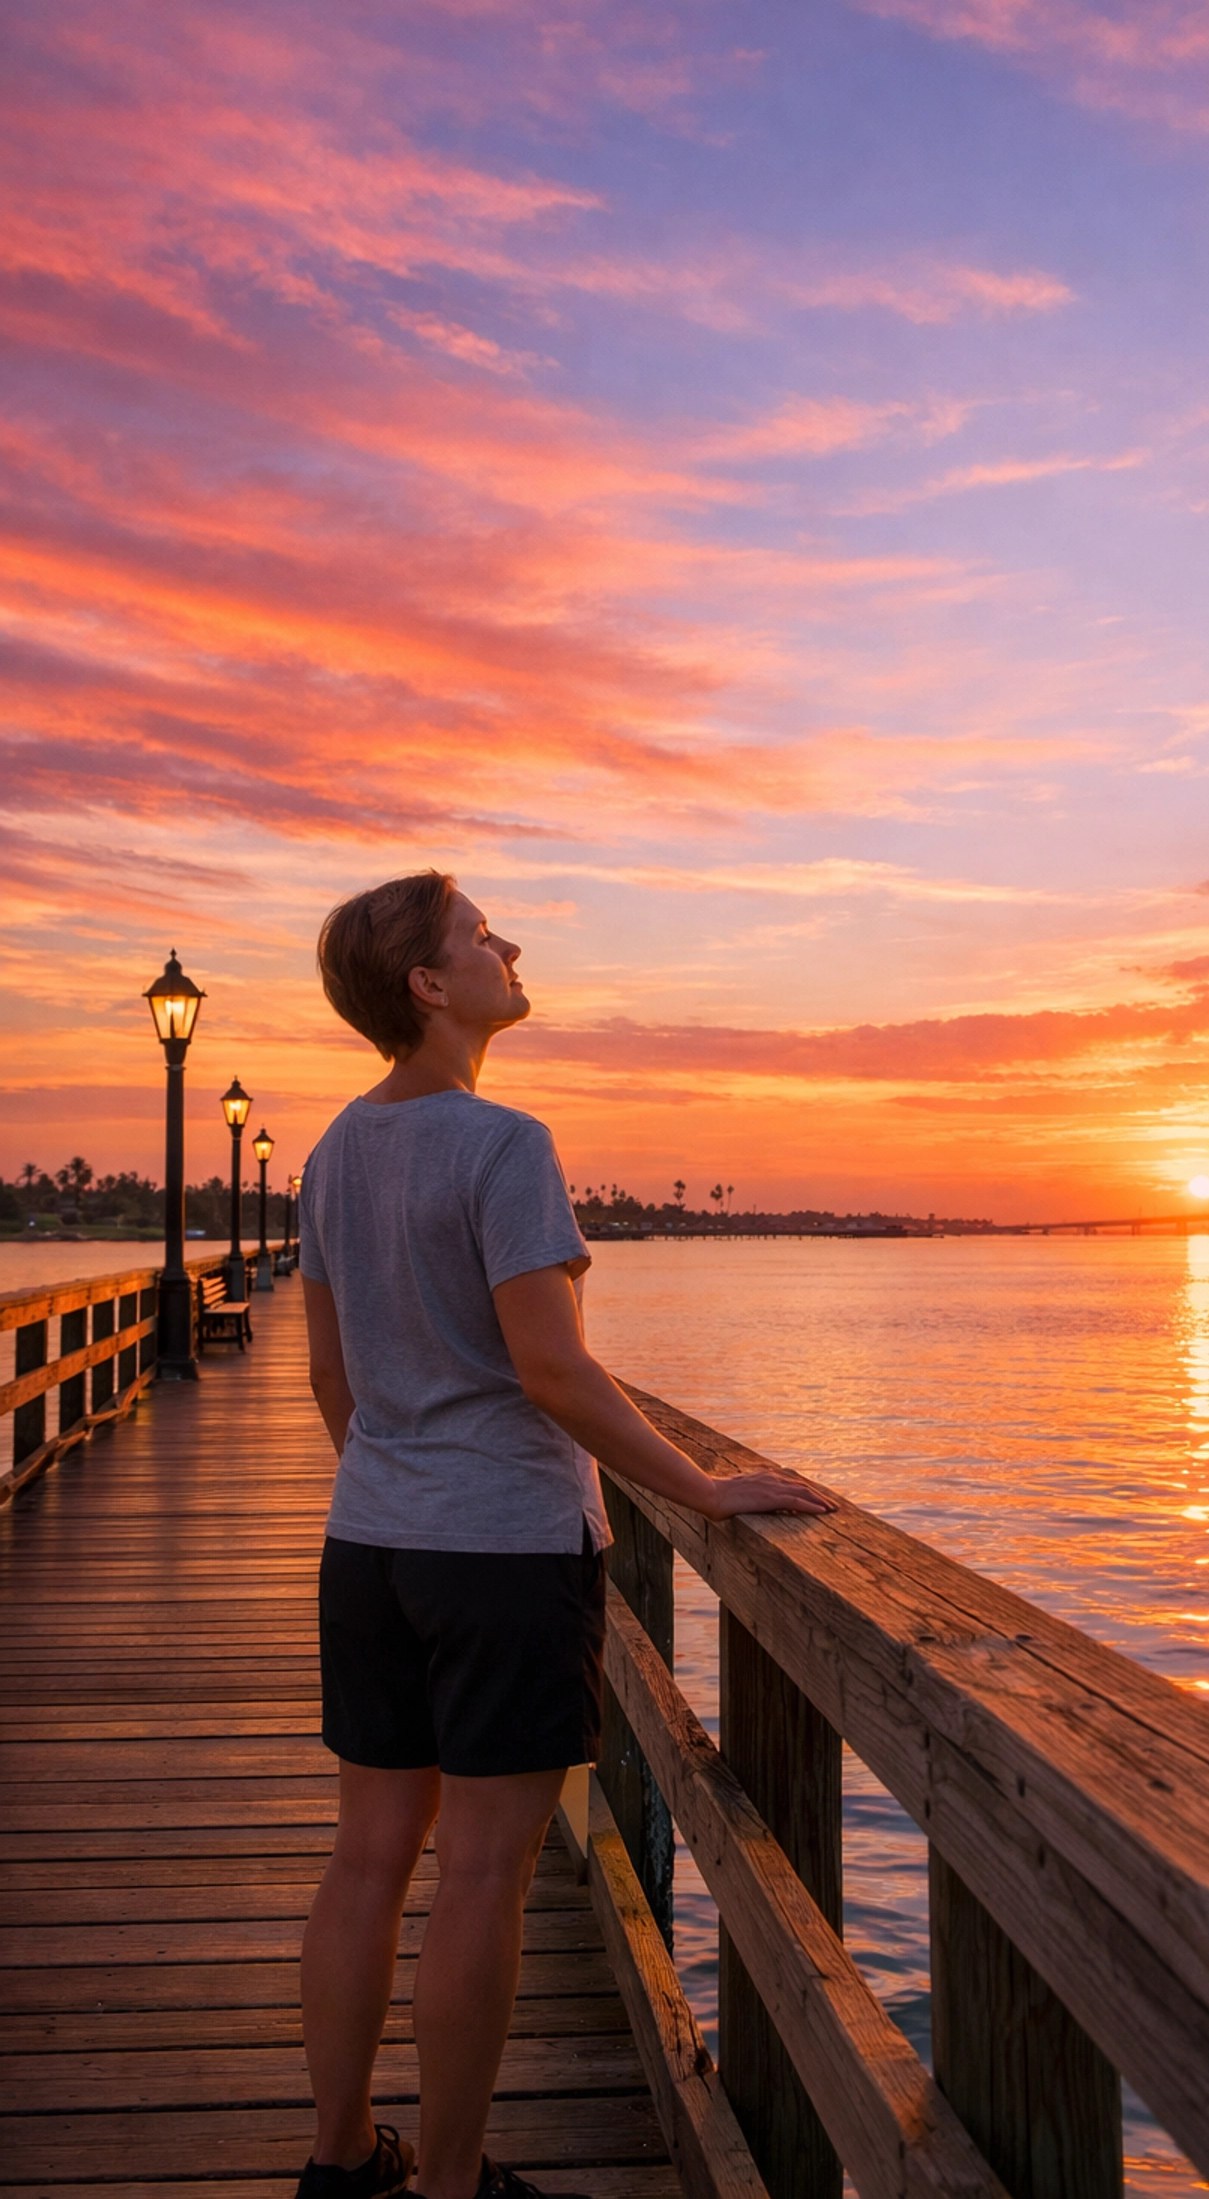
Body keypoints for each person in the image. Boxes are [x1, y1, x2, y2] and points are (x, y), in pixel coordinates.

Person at [294, 870, 830, 2199]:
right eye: (478, 935)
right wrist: (704, 1491)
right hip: (503, 1552)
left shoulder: (331, 1152)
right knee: (481, 1871)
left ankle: (341, 2159)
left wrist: (396, 1478)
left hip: (371, 1548)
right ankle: (451, 2186)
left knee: (368, 1859)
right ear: (428, 986)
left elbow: (328, 1380)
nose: (506, 945)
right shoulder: (500, 1144)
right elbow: (556, 1370)